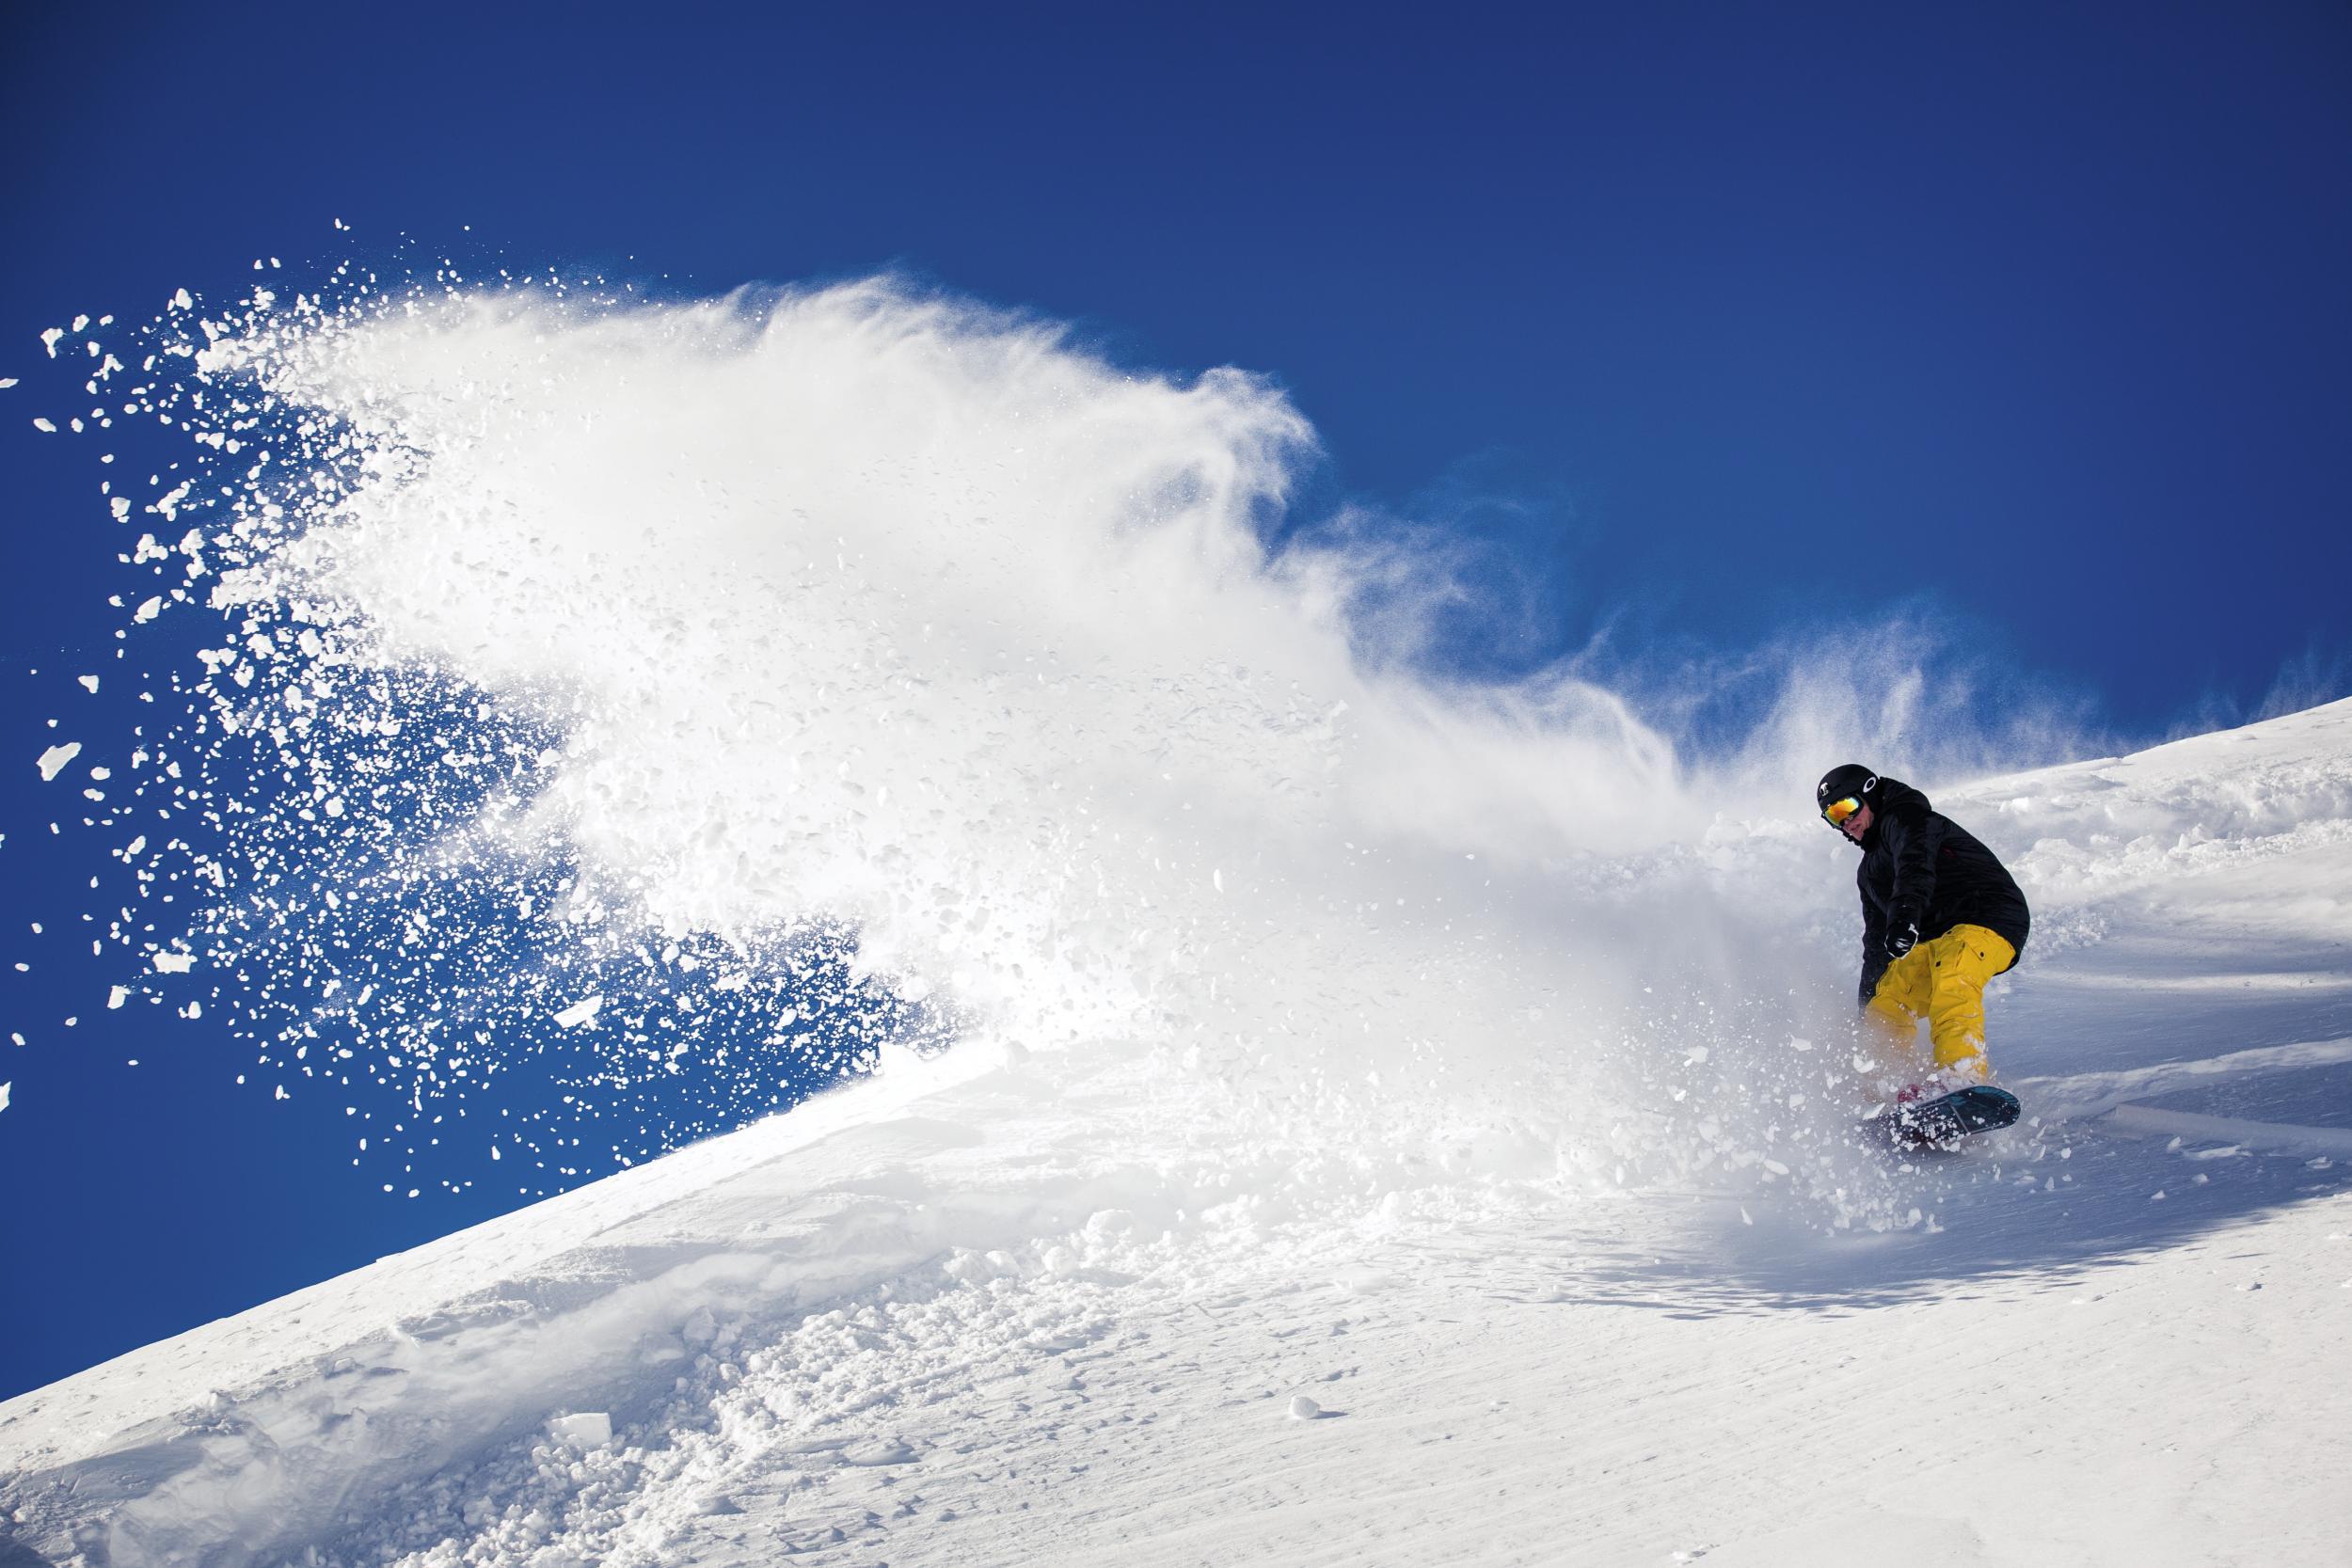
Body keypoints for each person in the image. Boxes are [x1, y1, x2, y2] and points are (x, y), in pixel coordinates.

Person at [1816, 764, 2030, 1101]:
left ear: (1869, 792)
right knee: (1888, 1001)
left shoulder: (1910, 819)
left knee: (1953, 978)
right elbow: (1874, 945)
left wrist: (1903, 918)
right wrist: (1865, 1005)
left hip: (1988, 915)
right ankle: (1885, 1090)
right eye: (1833, 817)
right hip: (1935, 938)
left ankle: (1960, 1078)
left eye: (1846, 808)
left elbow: (1915, 866)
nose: (1845, 822)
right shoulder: (1868, 873)